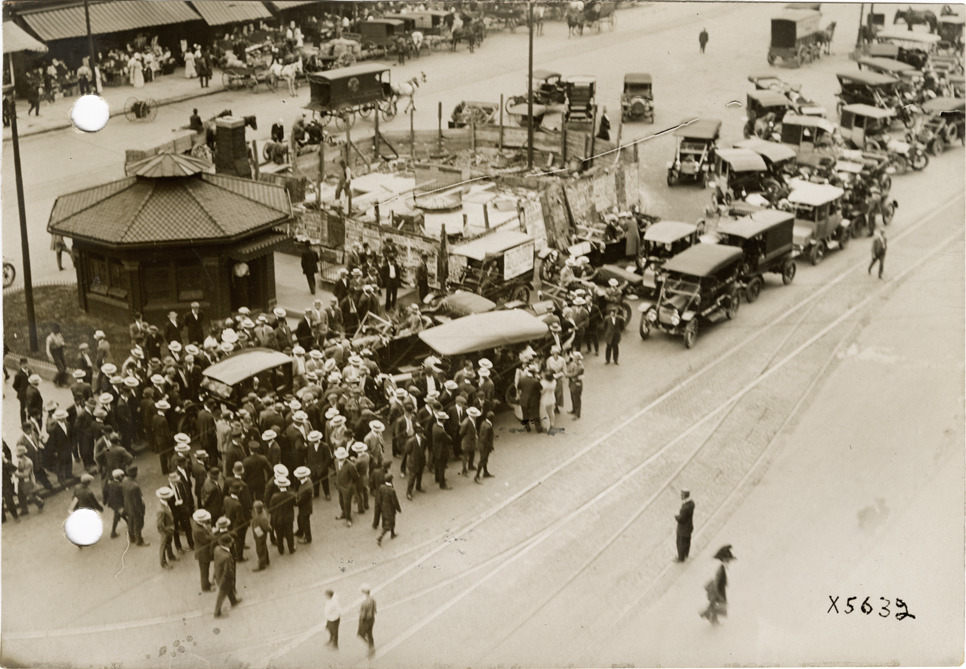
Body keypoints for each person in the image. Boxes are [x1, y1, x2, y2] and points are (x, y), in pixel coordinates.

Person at [213, 520, 242, 617]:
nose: (231, 544)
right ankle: (217, 612)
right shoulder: (227, 556)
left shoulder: (217, 549)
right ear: (227, 544)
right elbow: (228, 571)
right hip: (225, 578)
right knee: (222, 594)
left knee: (229, 590)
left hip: (218, 574)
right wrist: (230, 579)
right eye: (230, 543)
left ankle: (233, 601)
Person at [701, 544, 735, 625]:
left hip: (719, 587)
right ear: (723, 559)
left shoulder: (724, 567)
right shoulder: (721, 569)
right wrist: (719, 593)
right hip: (718, 588)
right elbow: (718, 581)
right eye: (728, 560)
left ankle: (712, 618)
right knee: (718, 603)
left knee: (715, 603)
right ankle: (709, 616)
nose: (729, 561)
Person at [121, 465, 149, 546]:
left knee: (130, 522)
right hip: (135, 509)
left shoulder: (124, 480)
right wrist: (141, 511)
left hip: (128, 506)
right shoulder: (135, 486)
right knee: (138, 525)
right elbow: (137, 502)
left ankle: (132, 538)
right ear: (135, 474)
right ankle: (139, 541)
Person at [376, 474, 401, 546]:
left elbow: (379, 499)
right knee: (389, 524)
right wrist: (398, 509)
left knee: (390, 522)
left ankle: (392, 534)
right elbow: (395, 501)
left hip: (383, 508)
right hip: (390, 510)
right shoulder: (391, 490)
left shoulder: (381, 487)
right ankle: (380, 537)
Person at [156, 487, 178, 569]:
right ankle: (163, 563)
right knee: (163, 545)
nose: (170, 497)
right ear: (165, 497)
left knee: (169, 542)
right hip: (165, 530)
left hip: (169, 528)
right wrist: (165, 530)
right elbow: (159, 524)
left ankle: (170, 556)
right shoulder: (161, 510)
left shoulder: (164, 504)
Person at [250, 500, 272, 572]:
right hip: (258, 533)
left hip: (260, 535)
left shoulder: (263, 517)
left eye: (255, 508)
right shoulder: (261, 512)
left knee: (260, 549)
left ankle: (261, 565)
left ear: (258, 509)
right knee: (263, 547)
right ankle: (266, 560)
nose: (254, 509)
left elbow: (268, 528)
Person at [674, 489, 695, 562]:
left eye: (681, 495)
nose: (680, 496)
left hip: (683, 528)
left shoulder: (685, 508)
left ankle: (681, 558)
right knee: (687, 541)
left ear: (684, 496)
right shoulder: (692, 503)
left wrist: (676, 517)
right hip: (689, 527)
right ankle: (686, 554)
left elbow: (681, 519)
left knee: (680, 543)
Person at [474, 411, 495, 482]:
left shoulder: (484, 423)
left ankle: (485, 472)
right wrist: (490, 446)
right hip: (485, 446)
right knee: (482, 460)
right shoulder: (488, 427)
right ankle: (477, 476)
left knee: (484, 459)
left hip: (482, 445)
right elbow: (485, 439)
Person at [46, 323, 68, 387]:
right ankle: (56, 380)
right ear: (53, 329)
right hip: (55, 354)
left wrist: (63, 344)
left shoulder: (59, 335)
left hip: (60, 352)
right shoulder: (49, 338)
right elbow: (47, 348)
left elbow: (61, 341)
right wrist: (50, 357)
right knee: (61, 369)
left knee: (64, 367)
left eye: (58, 329)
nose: (58, 330)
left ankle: (62, 381)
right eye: (56, 329)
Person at [357, 584, 377, 656]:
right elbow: (375, 610)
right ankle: (372, 646)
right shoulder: (372, 599)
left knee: (360, 634)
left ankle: (370, 646)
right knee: (369, 633)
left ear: (364, 592)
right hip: (372, 618)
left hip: (365, 620)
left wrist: (361, 619)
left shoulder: (364, 602)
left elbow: (363, 614)